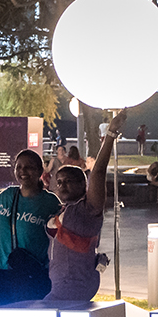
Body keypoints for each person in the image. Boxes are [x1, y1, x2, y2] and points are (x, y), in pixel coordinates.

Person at [45, 110, 125, 302]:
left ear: (83, 186)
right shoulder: (63, 209)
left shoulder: (88, 210)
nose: (62, 185)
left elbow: (97, 172)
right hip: (60, 287)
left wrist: (111, 135)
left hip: (74, 289)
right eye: (60, 181)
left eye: (69, 181)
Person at [0, 147, 60, 305]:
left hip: (32, 274)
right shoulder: (7, 195)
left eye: (29, 167)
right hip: (1, 273)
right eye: (19, 167)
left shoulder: (50, 202)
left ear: (40, 170)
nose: (23, 171)